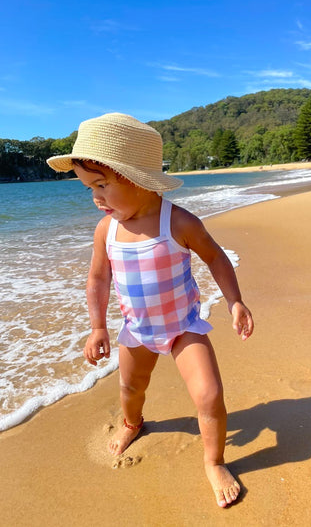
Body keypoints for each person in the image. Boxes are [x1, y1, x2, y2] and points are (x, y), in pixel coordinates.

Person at [47, 113, 254, 508]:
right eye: (89, 188)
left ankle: (214, 461)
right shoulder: (106, 230)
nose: (96, 198)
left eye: (102, 185)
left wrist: (235, 301)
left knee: (208, 395)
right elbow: (97, 280)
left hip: (183, 325)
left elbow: (216, 258)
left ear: (137, 178)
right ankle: (132, 423)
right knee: (130, 389)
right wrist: (97, 328)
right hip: (137, 328)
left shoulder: (177, 222)